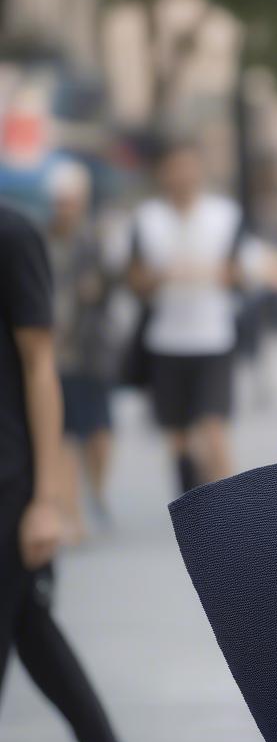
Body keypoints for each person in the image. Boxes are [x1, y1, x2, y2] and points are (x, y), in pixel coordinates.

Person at [0, 201, 148, 742]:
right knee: (30, 622)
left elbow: (41, 366)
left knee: (28, 621)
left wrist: (49, 500)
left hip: (7, 478)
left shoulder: (11, 232)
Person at [124, 136, 277, 496]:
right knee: (178, 434)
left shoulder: (224, 216)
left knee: (214, 427)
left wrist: (209, 273)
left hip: (212, 336)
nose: (182, 174)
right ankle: (190, 500)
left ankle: (230, 503)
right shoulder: (146, 219)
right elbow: (133, 277)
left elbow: (241, 270)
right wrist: (162, 276)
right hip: (166, 339)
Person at [44, 159, 120, 544]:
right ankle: (71, 514)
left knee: (99, 434)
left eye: (69, 201)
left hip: (92, 351)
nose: (64, 209)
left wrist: (99, 285)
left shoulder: (96, 239)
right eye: (59, 201)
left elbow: (113, 282)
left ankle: (97, 491)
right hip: (53, 355)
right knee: (65, 437)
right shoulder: (40, 240)